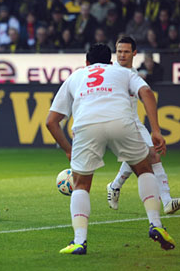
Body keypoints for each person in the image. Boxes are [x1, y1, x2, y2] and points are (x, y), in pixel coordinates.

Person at [46, 43, 175, 255]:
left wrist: (68, 150)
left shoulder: (76, 77)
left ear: (87, 63)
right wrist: (156, 130)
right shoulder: (122, 71)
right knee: (144, 169)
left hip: (86, 125)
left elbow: (51, 122)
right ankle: (156, 224)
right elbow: (147, 92)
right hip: (121, 121)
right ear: (110, 61)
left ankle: (80, 241)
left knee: (81, 184)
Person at [107, 37, 179, 214]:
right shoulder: (111, 72)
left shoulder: (133, 74)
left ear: (134, 53)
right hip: (115, 123)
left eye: (125, 51)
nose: (122, 55)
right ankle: (164, 201)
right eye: (119, 51)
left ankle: (167, 201)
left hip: (133, 123)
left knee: (152, 156)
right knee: (146, 157)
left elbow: (146, 95)